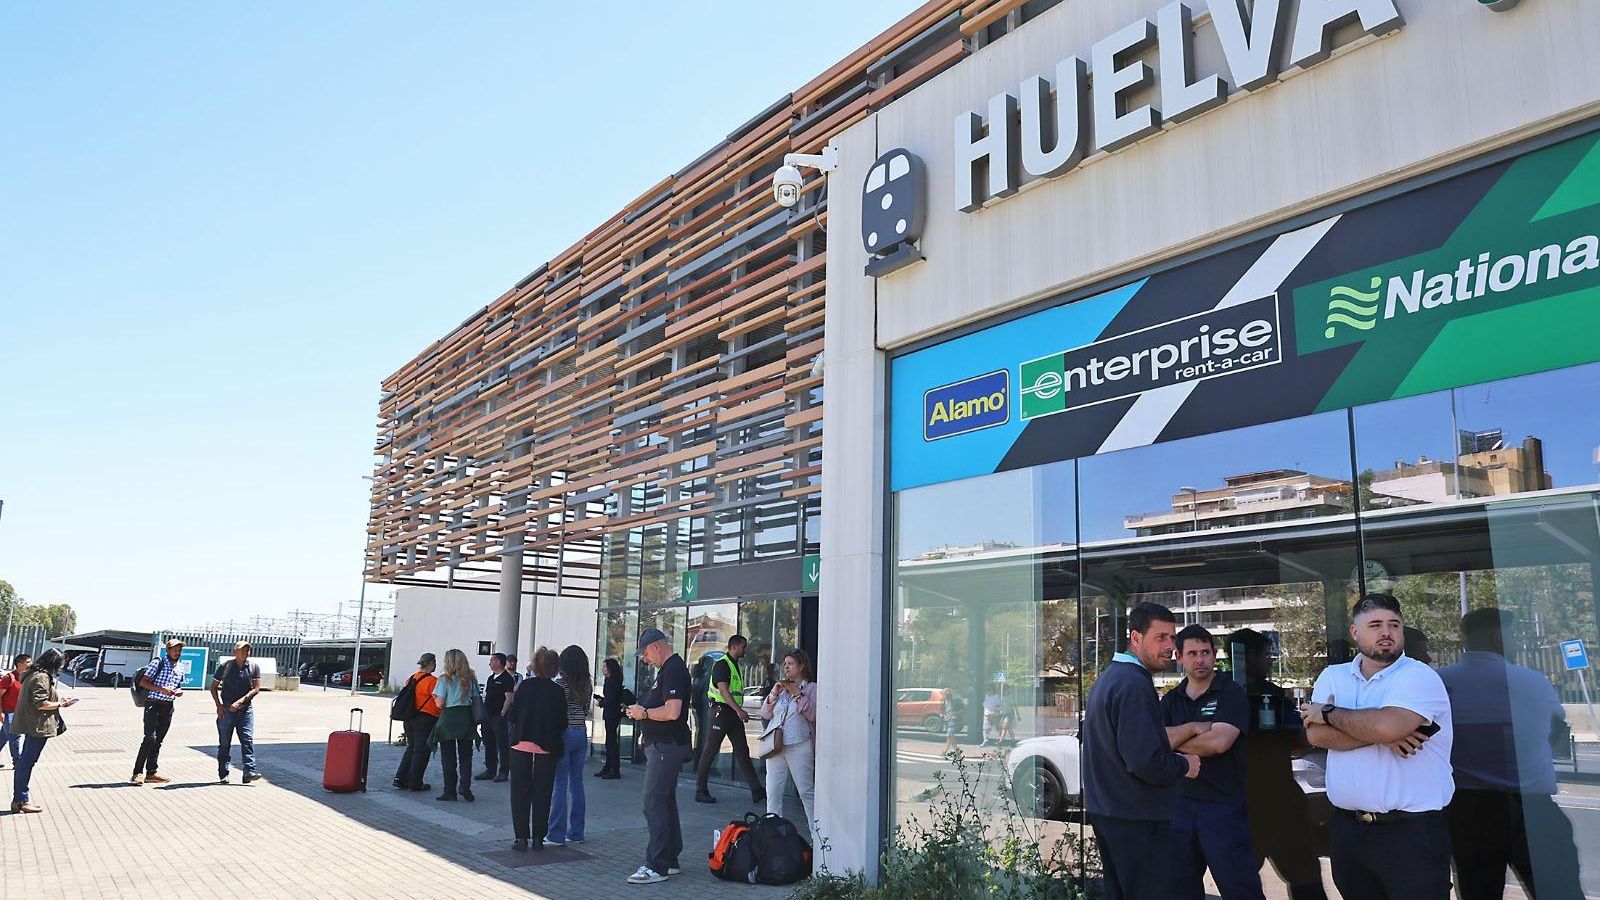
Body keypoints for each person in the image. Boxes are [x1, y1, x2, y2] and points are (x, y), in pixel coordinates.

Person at [1300, 593, 1455, 900]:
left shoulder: (1420, 676)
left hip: (1411, 834)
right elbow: (1316, 737)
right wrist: (1384, 732)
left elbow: (1387, 726)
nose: (1386, 632)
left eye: (1393, 624)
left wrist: (1330, 714)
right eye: (1375, 625)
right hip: (1349, 831)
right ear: (1355, 633)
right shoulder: (1334, 676)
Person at [1439, 607, 1584, 900]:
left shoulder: (1440, 682)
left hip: (1467, 813)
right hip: (1530, 809)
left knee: (1479, 890)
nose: (1516, 641)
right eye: (1513, 635)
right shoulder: (1532, 682)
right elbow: (1557, 737)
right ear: (1498, 637)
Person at [1083, 602, 1201, 900]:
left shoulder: (1111, 678)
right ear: (1136, 637)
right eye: (1160, 637)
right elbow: (1144, 761)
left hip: (1112, 815)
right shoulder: (1133, 683)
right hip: (1135, 821)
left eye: (1172, 638)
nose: (1169, 646)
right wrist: (1184, 764)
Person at [1161, 625, 1265, 900]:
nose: (1200, 660)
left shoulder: (1230, 693)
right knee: (1179, 890)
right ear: (1179, 657)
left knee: (1240, 889)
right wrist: (1195, 727)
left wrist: (1173, 740)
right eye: (1192, 653)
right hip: (1179, 807)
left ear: (1214, 655)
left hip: (1222, 809)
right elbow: (1154, 742)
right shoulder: (1171, 699)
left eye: (1205, 652)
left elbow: (1219, 743)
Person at [1228, 628, 1328, 900]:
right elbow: (1298, 740)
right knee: (1305, 879)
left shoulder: (1220, 694)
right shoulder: (1269, 695)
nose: (1269, 662)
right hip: (1281, 803)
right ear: (1249, 657)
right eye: (1265, 655)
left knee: (1241, 884)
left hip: (1238, 804)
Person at [625, 627, 693, 885]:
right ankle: (670, 858)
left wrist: (644, 713)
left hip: (667, 746)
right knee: (664, 801)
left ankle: (657, 865)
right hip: (662, 745)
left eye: (644, 653)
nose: (644, 659)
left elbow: (673, 711)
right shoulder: (667, 671)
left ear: (656, 646)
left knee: (653, 801)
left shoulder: (674, 670)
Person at [694, 635, 765, 805]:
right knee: (710, 750)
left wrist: (737, 711)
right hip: (721, 712)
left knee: (742, 751)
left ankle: (756, 790)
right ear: (734, 647)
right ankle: (700, 790)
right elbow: (724, 691)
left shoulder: (734, 665)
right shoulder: (722, 665)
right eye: (743, 646)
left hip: (731, 713)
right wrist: (739, 710)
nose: (745, 650)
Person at [507, 646, 566, 851]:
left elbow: (513, 715)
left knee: (519, 792)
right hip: (546, 747)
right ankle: (539, 838)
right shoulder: (557, 691)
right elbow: (562, 722)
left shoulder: (524, 686)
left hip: (521, 744)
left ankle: (521, 838)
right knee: (543, 792)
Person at [11, 649, 75, 813]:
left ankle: (20, 799)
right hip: (37, 725)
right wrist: (61, 704)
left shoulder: (32, 674)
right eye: (60, 664)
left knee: (25, 761)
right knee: (27, 763)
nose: (61, 667)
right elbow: (41, 703)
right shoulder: (41, 677)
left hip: (31, 723)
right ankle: (20, 800)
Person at [761, 649, 817, 836]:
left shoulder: (811, 688)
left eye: (791, 663)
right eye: (785, 664)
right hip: (776, 746)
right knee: (773, 791)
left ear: (801, 666)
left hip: (799, 745)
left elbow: (813, 715)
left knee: (806, 791)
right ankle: (772, 836)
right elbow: (766, 714)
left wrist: (798, 694)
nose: (786, 667)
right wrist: (773, 695)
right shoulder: (781, 688)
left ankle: (817, 835)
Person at [547, 644, 593, 845]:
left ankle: (556, 834)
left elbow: (556, 712)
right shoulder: (586, 685)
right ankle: (576, 832)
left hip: (564, 733)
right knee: (577, 783)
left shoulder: (560, 684)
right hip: (581, 732)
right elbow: (584, 711)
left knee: (560, 783)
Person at [132, 639, 187, 785]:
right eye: (175, 649)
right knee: (149, 738)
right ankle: (137, 773)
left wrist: (178, 691)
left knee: (158, 741)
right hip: (152, 705)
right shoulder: (158, 663)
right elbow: (143, 682)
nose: (177, 652)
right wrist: (162, 689)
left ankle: (151, 773)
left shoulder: (181, 667)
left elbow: (178, 684)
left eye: (179, 649)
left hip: (168, 706)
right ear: (168, 649)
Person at [429, 648, 479, 802]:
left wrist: (436, 697)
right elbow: (476, 699)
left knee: (448, 757)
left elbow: (440, 703)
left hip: (449, 719)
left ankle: (449, 791)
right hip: (466, 718)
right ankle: (465, 788)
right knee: (466, 756)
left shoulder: (444, 679)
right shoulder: (471, 679)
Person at [209, 641, 263, 784]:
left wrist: (241, 702)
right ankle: (223, 774)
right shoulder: (226, 667)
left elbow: (256, 688)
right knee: (225, 744)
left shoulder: (253, 667)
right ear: (235, 652)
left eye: (247, 651)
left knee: (247, 740)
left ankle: (249, 771)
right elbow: (213, 687)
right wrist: (218, 705)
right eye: (242, 651)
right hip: (226, 711)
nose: (245, 653)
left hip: (245, 711)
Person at [392, 653, 441, 793]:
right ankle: (415, 782)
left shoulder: (411, 678)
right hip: (426, 718)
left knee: (411, 748)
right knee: (422, 751)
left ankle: (400, 778)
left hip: (409, 717)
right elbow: (437, 700)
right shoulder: (433, 681)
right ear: (431, 663)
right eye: (435, 662)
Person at [477, 652, 515, 784]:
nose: (490, 663)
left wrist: (502, 713)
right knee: (489, 743)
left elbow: (508, 698)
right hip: (488, 715)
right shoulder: (490, 678)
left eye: (492, 660)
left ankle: (503, 771)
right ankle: (490, 769)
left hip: (498, 716)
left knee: (502, 744)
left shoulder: (507, 678)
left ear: (498, 662)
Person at [0, 653, 32, 770]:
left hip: (19, 713)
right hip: (8, 713)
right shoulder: (9, 678)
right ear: (19, 664)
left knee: (3, 737)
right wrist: (0, 712)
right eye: (28, 662)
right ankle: (17, 762)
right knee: (15, 737)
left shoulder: (26, 677)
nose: (30, 664)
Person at [594, 657, 624, 779]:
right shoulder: (611, 680)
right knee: (610, 741)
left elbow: (611, 699)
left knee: (611, 742)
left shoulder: (612, 681)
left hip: (612, 713)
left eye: (605, 666)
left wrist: (601, 702)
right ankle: (608, 767)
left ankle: (614, 769)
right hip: (612, 713)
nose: (603, 669)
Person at [941, 688, 963, 755]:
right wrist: (941, 714)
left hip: (952, 720)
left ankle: (945, 751)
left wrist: (956, 714)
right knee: (951, 737)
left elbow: (962, 708)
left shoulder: (955, 701)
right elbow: (942, 709)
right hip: (946, 720)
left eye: (948, 692)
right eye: (945, 692)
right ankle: (957, 752)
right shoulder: (943, 701)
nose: (947, 693)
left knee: (949, 736)